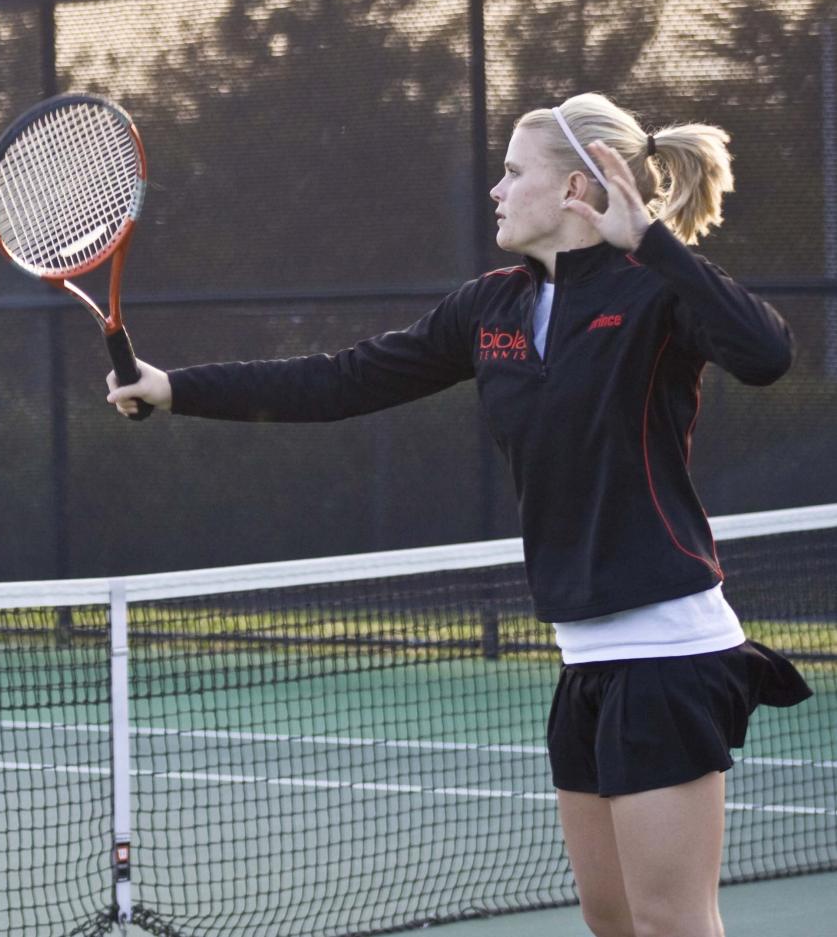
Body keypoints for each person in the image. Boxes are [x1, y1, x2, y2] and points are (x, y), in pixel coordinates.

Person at [105, 93, 812, 937]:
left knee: (671, 921)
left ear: (579, 191)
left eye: (514, 172)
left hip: (668, 654)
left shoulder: (654, 293)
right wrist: (176, 387)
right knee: (611, 919)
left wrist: (651, 243)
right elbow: (340, 379)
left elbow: (766, 354)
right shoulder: (490, 308)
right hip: (581, 659)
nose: (495, 190)